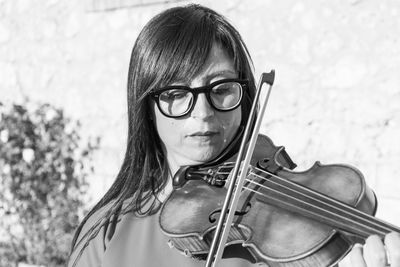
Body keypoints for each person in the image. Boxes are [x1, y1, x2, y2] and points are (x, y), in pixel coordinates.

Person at [68, 4, 400, 267]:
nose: (202, 112)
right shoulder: (106, 231)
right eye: (175, 93)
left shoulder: (302, 228)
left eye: (222, 88)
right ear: (147, 106)